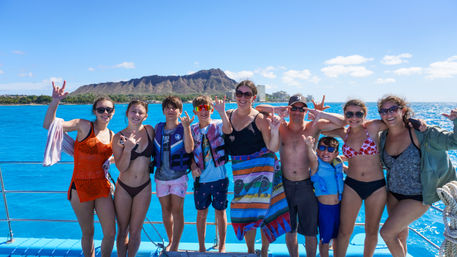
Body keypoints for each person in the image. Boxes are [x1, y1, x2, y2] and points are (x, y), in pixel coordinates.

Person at [256, 94, 345, 257]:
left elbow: (343, 122)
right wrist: (279, 109)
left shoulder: (315, 125)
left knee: (311, 231)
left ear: (306, 110)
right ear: (289, 109)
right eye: (294, 108)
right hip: (285, 184)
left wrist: (320, 114)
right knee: (290, 229)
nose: (297, 112)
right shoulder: (281, 126)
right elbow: (258, 109)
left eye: (301, 109)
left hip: (307, 185)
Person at [377, 95, 457, 257]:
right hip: (393, 193)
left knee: (386, 233)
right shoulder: (383, 136)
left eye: (393, 109)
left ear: (403, 110)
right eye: (383, 111)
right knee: (399, 234)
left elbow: (453, 142)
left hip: (418, 196)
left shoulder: (423, 133)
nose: (388, 114)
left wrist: (456, 121)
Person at [43, 81, 116, 257]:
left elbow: (113, 158)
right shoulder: (84, 125)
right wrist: (55, 101)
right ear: (94, 111)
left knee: (110, 233)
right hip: (80, 188)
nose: (105, 112)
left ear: (113, 112)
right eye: (101, 109)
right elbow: (49, 125)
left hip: (102, 186)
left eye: (108, 109)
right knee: (88, 232)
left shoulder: (113, 135)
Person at [224, 80, 288, 257]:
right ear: (235, 96)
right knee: (245, 211)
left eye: (247, 94)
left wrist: (275, 130)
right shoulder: (228, 114)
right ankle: (251, 252)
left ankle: (265, 252)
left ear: (253, 98)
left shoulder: (259, 119)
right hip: (241, 173)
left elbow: (273, 147)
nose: (242, 97)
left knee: (266, 211)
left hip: (265, 170)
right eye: (239, 94)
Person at [324, 99, 387, 257]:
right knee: (344, 230)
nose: (354, 117)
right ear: (344, 115)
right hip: (352, 186)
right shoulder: (343, 133)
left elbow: (396, 121)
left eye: (359, 113)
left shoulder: (372, 127)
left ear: (365, 114)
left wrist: (418, 122)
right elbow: (321, 128)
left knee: (371, 231)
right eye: (349, 114)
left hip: (376, 187)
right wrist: (321, 113)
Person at [190, 95, 231, 252]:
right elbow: (189, 152)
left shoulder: (219, 124)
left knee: (220, 213)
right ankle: (201, 247)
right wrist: (193, 166)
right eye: (200, 108)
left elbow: (229, 130)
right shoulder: (192, 129)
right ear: (195, 111)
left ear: (211, 109)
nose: (203, 111)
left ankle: (222, 246)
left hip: (220, 178)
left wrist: (223, 112)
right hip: (201, 180)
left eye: (206, 107)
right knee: (201, 214)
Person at [112, 100, 153, 257]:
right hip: (124, 187)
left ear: (146, 116)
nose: (136, 115)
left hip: (144, 186)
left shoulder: (150, 131)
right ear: (127, 113)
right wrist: (128, 149)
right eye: (133, 111)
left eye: (140, 112)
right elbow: (121, 167)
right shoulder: (118, 137)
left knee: (136, 230)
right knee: (123, 230)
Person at [153, 96, 194, 252]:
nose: (171, 110)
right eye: (168, 108)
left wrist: (187, 128)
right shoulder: (158, 128)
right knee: (165, 210)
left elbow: (189, 149)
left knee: (177, 210)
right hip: (161, 178)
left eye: (174, 108)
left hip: (178, 177)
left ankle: (175, 245)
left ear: (180, 111)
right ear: (163, 110)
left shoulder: (183, 128)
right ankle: (170, 240)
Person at [309, 136, 344, 257]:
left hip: (339, 207)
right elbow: (311, 156)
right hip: (325, 209)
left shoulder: (337, 163)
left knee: (338, 238)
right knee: (325, 240)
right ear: (317, 151)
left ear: (336, 153)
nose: (325, 152)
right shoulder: (316, 164)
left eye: (330, 150)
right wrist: (310, 146)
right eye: (322, 148)